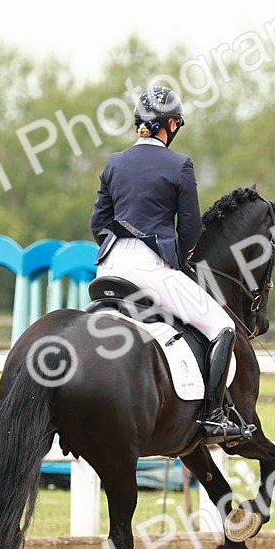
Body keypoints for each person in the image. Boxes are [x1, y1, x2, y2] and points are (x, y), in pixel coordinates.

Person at [90, 85, 252, 445]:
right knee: (223, 326)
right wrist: (175, 261)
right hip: (152, 270)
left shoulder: (114, 162)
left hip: (108, 268)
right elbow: (191, 228)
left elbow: (98, 222)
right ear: (171, 125)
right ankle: (213, 417)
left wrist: (118, 248)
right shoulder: (179, 165)